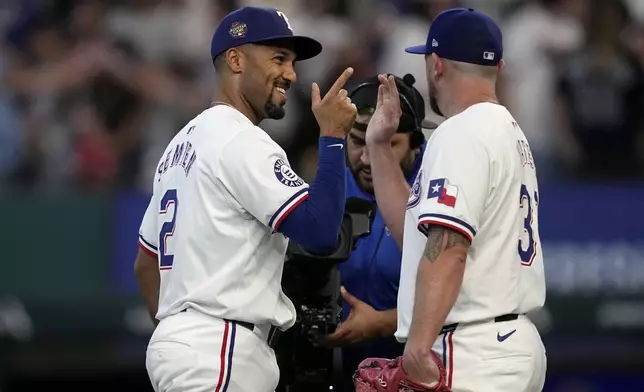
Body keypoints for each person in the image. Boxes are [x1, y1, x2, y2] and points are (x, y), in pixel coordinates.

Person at [133, 6, 358, 392]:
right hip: (218, 348)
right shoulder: (240, 139)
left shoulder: (179, 146)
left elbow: (145, 264)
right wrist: (333, 137)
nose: (291, 73)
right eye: (278, 58)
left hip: (189, 345)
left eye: (292, 61)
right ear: (236, 59)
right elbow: (320, 231)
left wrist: (180, 330)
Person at [354, 7, 547, 392]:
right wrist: (378, 145)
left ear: (436, 64)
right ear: (500, 67)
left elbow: (448, 249)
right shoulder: (509, 132)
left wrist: (418, 350)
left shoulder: (461, 133)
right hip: (505, 344)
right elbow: (419, 241)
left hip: (472, 349)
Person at [319, 73, 429, 389]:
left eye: (386, 142)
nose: (368, 158)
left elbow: (462, 299)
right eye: (357, 141)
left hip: (424, 374)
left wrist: (382, 323)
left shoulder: (439, 193)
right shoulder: (329, 187)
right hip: (344, 375)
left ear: (415, 146)